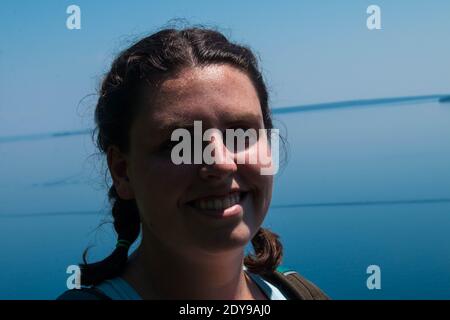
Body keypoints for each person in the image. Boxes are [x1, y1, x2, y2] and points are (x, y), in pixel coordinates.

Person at [57, 27, 328, 300]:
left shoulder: (301, 295)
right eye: (179, 142)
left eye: (242, 134)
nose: (221, 162)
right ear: (122, 171)